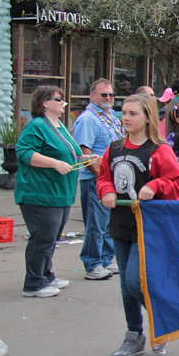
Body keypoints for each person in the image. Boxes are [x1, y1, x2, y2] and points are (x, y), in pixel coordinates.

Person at [97, 94, 179, 356]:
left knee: (134, 282)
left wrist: (154, 185)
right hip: (120, 224)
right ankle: (134, 335)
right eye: (123, 112)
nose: (125, 117)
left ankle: (163, 319)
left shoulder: (159, 150)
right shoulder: (113, 148)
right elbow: (104, 177)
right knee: (126, 287)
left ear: (148, 117)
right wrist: (106, 191)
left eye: (132, 113)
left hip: (148, 228)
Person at [16, 86, 87, 297]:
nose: (62, 103)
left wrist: (82, 159)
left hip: (60, 193)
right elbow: (24, 152)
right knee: (42, 238)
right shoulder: (37, 126)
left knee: (51, 238)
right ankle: (34, 283)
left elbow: (69, 152)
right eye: (58, 99)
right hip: (40, 193)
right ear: (44, 103)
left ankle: (46, 275)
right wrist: (55, 163)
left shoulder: (59, 126)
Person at [72, 78, 122, 281]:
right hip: (96, 179)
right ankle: (92, 263)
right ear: (92, 96)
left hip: (112, 178)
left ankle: (106, 258)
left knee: (109, 222)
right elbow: (85, 154)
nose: (108, 98)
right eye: (104, 95)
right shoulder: (88, 119)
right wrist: (102, 179)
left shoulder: (111, 117)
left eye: (111, 95)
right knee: (96, 223)